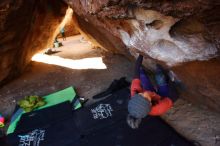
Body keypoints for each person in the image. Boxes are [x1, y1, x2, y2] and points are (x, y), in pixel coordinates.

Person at [127, 54, 179, 129]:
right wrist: (171, 80)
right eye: (146, 97)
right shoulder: (160, 108)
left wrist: (141, 54)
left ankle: (158, 71)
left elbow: (136, 70)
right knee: (160, 77)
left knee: (141, 74)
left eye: (140, 95)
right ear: (150, 104)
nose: (144, 93)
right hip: (162, 97)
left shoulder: (135, 93)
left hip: (152, 95)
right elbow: (175, 95)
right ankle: (161, 71)